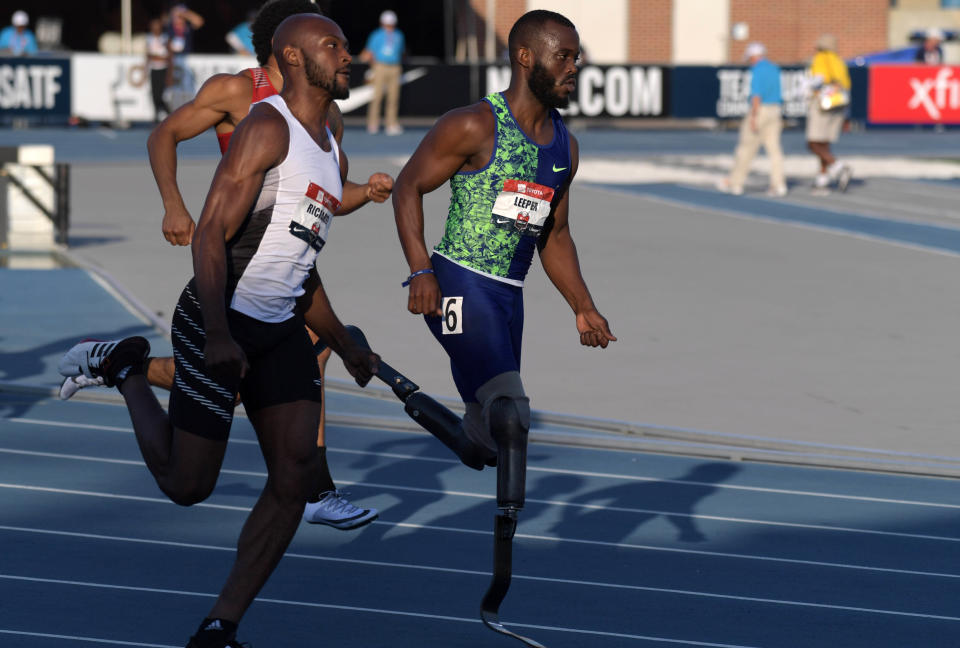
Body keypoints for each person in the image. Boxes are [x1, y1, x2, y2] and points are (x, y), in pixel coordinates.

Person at [58, 15, 379, 648]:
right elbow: (209, 233)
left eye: (344, 46)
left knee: (294, 479)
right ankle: (125, 368)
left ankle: (219, 627)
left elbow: (300, 266)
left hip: (280, 329)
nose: (348, 56)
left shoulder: (331, 143)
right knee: (187, 485)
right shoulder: (266, 127)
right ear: (292, 56)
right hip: (219, 318)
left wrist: (342, 340)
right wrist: (217, 333)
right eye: (332, 46)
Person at [392, 6, 615, 594]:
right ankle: (501, 578)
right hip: (456, 282)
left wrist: (582, 306)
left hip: (508, 298)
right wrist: (420, 269)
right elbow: (409, 185)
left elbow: (555, 237)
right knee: (514, 413)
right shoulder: (472, 125)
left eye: (576, 55)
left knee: (491, 439)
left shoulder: (565, 145)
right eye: (563, 56)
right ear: (525, 57)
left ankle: (463, 433)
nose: (575, 66)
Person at [717, 42, 786, 197]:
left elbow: (756, 95)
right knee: (775, 150)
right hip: (775, 110)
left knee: (746, 149)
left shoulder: (758, 70)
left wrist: (754, 117)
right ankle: (779, 184)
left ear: (754, 56)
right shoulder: (774, 68)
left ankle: (736, 183)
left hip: (760, 110)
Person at [806, 33, 852, 192]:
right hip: (838, 105)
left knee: (812, 142)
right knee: (824, 142)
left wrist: (806, 89)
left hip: (823, 104)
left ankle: (837, 166)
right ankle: (823, 176)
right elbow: (845, 84)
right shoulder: (839, 61)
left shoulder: (821, 58)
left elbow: (818, 80)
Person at [359, 10, 405, 135]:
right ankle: (373, 123)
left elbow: (402, 52)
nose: (389, 25)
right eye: (387, 23)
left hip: (395, 67)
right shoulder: (376, 35)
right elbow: (369, 52)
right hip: (380, 66)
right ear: (382, 23)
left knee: (393, 97)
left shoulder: (399, 35)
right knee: (377, 96)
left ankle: (391, 124)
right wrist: (372, 67)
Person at [146, 17, 172, 123]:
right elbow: (148, 55)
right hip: (153, 69)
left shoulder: (165, 38)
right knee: (154, 94)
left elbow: (169, 56)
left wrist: (170, 73)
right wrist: (145, 70)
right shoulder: (149, 38)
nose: (155, 28)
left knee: (162, 94)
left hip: (163, 69)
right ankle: (157, 114)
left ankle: (168, 113)